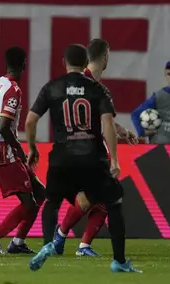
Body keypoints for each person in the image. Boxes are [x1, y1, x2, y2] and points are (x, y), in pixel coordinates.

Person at [26, 44, 140, 273]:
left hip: (61, 157)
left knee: (54, 200)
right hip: (91, 156)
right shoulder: (96, 88)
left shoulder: (53, 87)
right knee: (111, 199)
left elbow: (30, 120)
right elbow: (105, 121)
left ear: (64, 61)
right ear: (100, 57)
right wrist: (115, 159)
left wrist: (32, 148)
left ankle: (54, 241)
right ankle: (115, 259)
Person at [0, 47, 45, 255]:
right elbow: (3, 126)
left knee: (41, 193)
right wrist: (20, 149)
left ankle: (17, 242)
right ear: (24, 64)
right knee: (29, 203)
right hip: (3, 151)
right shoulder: (13, 90)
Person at [130, 61, 170, 144]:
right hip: (160, 145)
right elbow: (136, 113)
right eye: (169, 74)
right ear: (165, 75)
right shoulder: (159, 96)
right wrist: (142, 131)